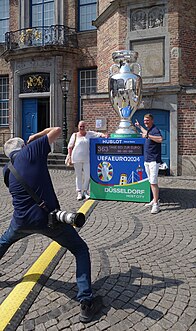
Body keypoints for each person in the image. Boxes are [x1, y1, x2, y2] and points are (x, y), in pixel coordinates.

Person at [0, 127, 102, 323]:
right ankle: (86, 302)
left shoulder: (6, 170)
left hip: (20, 221)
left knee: (4, 241)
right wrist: (36, 137)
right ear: (24, 146)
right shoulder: (31, 150)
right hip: (48, 219)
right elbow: (57, 130)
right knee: (80, 249)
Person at [66, 121, 108, 201]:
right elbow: (70, 147)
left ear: (85, 126)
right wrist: (70, 156)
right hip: (76, 158)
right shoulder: (74, 135)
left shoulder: (89, 134)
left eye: (83, 126)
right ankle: (79, 192)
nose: (82, 128)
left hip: (86, 158)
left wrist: (103, 135)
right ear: (78, 126)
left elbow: (98, 134)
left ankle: (85, 191)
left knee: (87, 176)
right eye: (80, 126)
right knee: (78, 176)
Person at [135, 114, 163, 214]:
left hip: (154, 160)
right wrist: (139, 127)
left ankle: (156, 204)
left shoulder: (155, 129)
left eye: (147, 120)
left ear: (152, 120)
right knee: (150, 181)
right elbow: (146, 133)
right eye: (144, 120)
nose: (145, 122)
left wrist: (147, 136)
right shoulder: (149, 130)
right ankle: (154, 200)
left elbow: (160, 139)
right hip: (147, 160)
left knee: (153, 182)